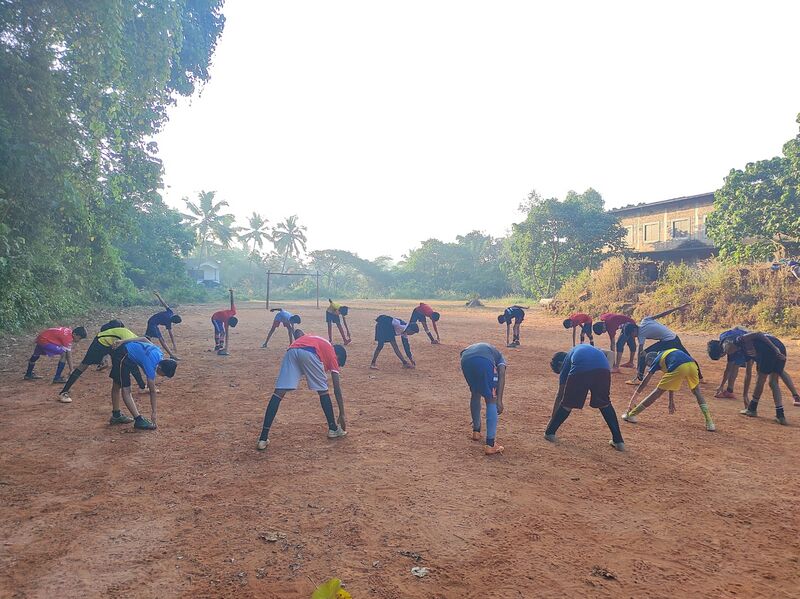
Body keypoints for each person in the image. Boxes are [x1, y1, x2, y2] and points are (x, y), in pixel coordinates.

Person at [256, 333, 348, 450]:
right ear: (338, 356)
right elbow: (337, 389)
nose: (331, 368)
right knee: (323, 391)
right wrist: (342, 413)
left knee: (278, 393)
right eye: (338, 364)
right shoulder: (332, 353)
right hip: (310, 353)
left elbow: (299, 334)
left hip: (292, 350)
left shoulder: (321, 342)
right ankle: (333, 429)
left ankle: (263, 438)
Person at [546, 345, 625, 451]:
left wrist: (552, 418)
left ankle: (550, 432)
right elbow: (609, 353)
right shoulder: (580, 348)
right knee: (604, 403)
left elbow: (560, 394)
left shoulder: (566, 362)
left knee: (567, 403)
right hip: (604, 368)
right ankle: (619, 441)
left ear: (560, 364)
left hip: (582, 367)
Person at [622, 349, 715, 431]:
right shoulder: (667, 355)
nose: (650, 366)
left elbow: (646, 380)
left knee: (657, 392)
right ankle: (710, 422)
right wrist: (671, 400)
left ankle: (631, 414)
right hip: (692, 365)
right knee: (697, 392)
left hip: (679, 366)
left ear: (651, 360)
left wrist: (636, 394)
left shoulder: (657, 360)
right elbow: (672, 380)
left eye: (649, 364)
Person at [57, 321, 146, 403]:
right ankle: (63, 392)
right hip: (99, 344)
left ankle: (142, 387)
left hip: (111, 344)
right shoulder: (130, 340)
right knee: (83, 366)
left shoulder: (135, 339)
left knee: (130, 362)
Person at [725, 332, 797, 424]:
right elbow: (749, 372)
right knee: (773, 382)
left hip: (772, 349)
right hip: (779, 347)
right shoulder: (741, 349)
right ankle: (780, 415)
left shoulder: (739, 339)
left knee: (760, 380)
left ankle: (752, 409)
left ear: (730, 344)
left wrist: (775, 350)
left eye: (727, 349)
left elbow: (759, 334)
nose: (729, 352)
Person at [108, 337, 178, 429]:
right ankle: (138, 420)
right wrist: (154, 412)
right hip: (122, 355)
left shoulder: (159, 352)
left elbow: (144, 339)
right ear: (160, 368)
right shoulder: (151, 366)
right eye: (163, 374)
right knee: (126, 389)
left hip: (127, 353)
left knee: (117, 383)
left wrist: (123, 341)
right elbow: (152, 391)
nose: (162, 376)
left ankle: (116, 415)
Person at [624, 304, 702, 384]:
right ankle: (700, 378)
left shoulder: (641, 334)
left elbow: (640, 353)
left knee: (644, 355)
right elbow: (662, 314)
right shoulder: (645, 320)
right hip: (674, 337)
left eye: (631, 335)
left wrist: (639, 365)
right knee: (688, 357)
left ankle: (638, 378)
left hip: (668, 341)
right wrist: (677, 308)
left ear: (634, 330)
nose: (632, 337)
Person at [460, 342, 507, 455]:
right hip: (483, 360)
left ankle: (476, 431)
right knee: (491, 399)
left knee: (475, 393)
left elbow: (462, 353)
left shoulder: (483, 348)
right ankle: (490, 444)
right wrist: (499, 400)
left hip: (465, 359)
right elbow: (502, 373)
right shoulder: (500, 358)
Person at [707, 327, 750, 399]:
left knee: (734, 366)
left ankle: (730, 391)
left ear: (722, 352)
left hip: (746, 346)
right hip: (742, 336)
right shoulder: (722, 336)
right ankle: (730, 391)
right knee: (734, 366)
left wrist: (721, 385)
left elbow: (728, 370)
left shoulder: (730, 348)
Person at [145, 291, 181, 360]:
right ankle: (171, 355)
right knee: (162, 340)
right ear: (174, 322)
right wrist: (174, 344)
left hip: (151, 320)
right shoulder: (168, 321)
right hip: (153, 324)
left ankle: (142, 349)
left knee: (147, 338)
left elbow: (164, 303)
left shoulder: (170, 312)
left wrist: (158, 296)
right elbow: (170, 334)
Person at [212, 289, 238, 355]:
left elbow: (232, 302)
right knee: (221, 332)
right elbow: (227, 334)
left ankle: (219, 346)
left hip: (220, 318)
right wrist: (226, 348)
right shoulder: (226, 319)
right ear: (228, 322)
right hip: (215, 318)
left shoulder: (233, 312)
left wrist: (232, 293)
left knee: (219, 331)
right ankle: (219, 346)